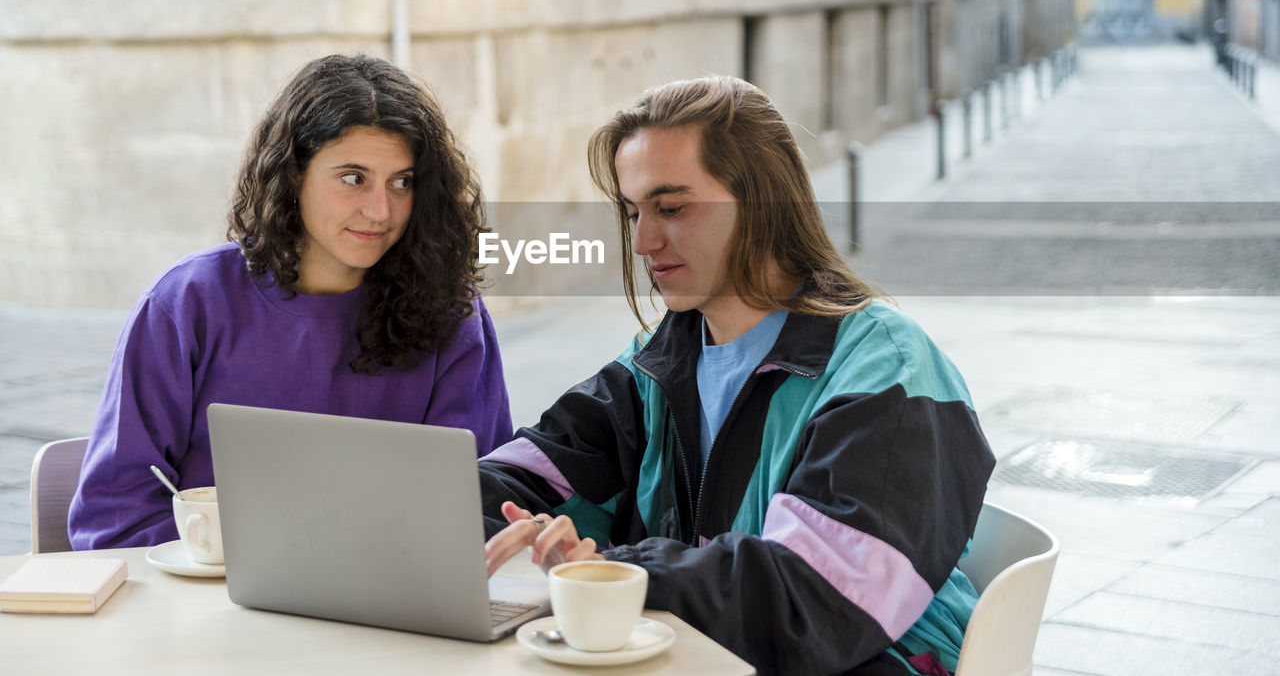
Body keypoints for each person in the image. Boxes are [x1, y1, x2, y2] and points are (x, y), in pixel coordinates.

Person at [479, 77, 994, 676]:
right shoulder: (657, 361)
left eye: (671, 207)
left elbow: (816, 598)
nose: (643, 240)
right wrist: (468, 519)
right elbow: (531, 474)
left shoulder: (890, 371)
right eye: (633, 212)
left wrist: (622, 571)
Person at [69, 54, 512, 549]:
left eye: (401, 182)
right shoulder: (187, 303)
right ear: (292, 174)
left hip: (385, 603)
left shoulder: (452, 313)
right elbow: (116, 515)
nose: (380, 210)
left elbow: (477, 504)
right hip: (206, 600)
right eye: (353, 178)